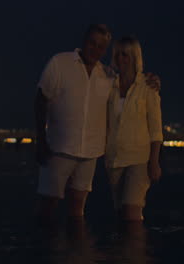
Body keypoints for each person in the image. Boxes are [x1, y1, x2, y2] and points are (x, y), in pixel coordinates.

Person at [34, 24, 159, 225]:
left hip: (91, 155)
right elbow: (40, 99)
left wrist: (153, 80)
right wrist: (40, 140)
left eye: (101, 46)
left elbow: (153, 124)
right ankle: (45, 249)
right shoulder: (62, 63)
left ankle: (77, 252)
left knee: (79, 209)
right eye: (92, 43)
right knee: (47, 204)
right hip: (58, 149)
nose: (96, 49)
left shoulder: (109, 76)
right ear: (84, 41)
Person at [105, 36, 162, 221]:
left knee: (132, 211)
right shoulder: (108, 84)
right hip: (114, 159)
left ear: (135, 57)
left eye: (126, 55)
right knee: (121, 213)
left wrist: (154, 161)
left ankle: (139, 249)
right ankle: (125, 250)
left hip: (139, 159)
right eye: (118, 54)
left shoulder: (147, 87)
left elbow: (155, 129)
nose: (121, 59)